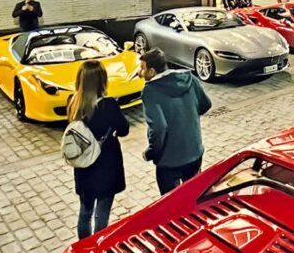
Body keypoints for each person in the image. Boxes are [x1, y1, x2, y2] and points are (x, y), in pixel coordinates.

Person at [68, 60, 129, 239]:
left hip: (85, 166)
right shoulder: (108, 105)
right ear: (102, 80)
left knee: (85, 212)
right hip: (106, 166)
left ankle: (83, 246)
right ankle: (97, 245)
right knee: (102, 213)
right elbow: (124, 129)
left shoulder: (73, 103)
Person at [140, 48, 212, 195]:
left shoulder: (150, 91)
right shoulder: (190, 79)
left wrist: (151, 152)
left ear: (152, 71)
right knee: (194, 195)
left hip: (169, 161)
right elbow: (206, 104)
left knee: (171, 201)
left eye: (142, 69)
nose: (139, 73)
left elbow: (159, 128)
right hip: (194, 152)